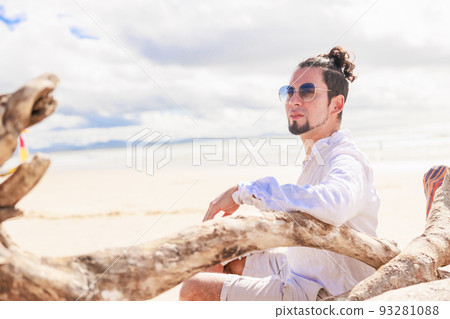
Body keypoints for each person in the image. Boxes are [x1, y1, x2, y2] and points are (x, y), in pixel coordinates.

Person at [179, 46, 380, 301]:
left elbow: (335, 204)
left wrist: (243, 191)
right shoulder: (317, 154)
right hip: (301, 269)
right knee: (220, 252)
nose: (294, 100)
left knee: (194, 288)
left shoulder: (346, 158)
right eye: (290, 91)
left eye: (307, 92)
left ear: (336, 104)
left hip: (328, 291)